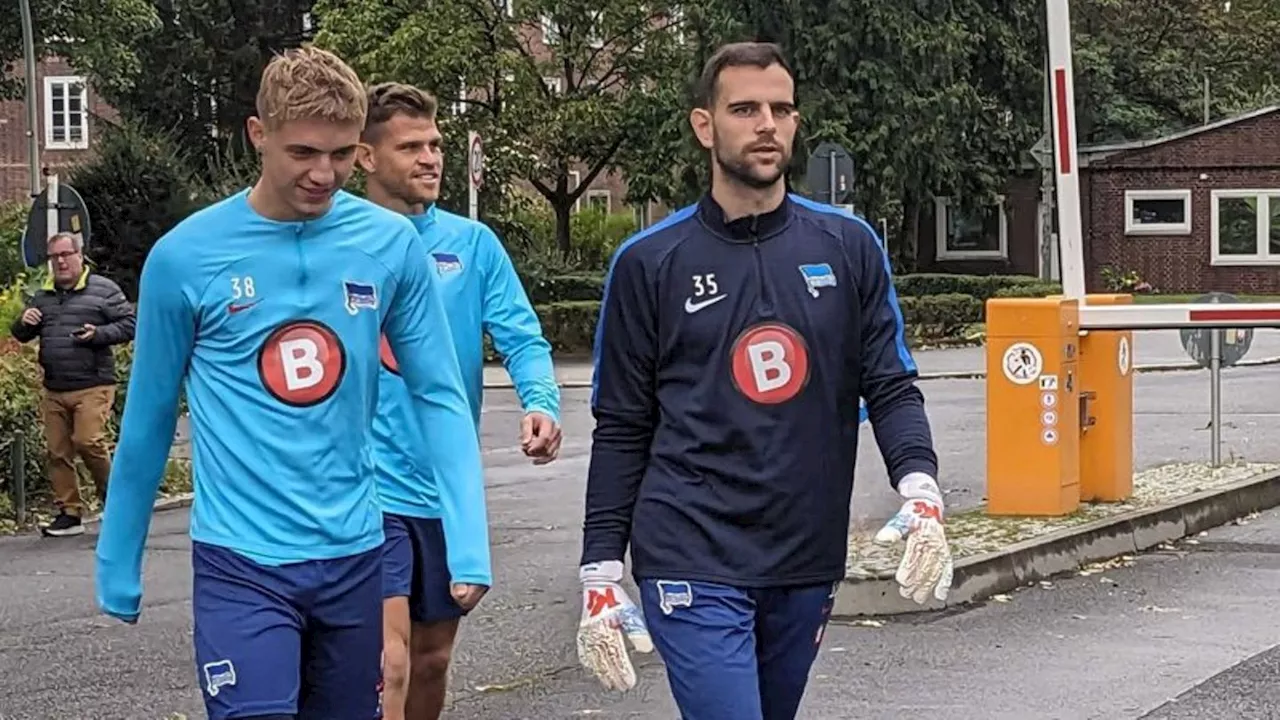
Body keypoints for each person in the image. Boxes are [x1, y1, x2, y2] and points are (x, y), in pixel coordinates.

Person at [94, 46, 485, 720]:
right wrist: (118, 556)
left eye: (339, 154)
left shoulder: (391, 245)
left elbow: (440, 395)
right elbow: (151, 414)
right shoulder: (185, 257)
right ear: (258, 134)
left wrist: (469, 539)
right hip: (241, 561)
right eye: (303, 152)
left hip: (355, 554)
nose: (323, 173)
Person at [573, 41, 953, 719]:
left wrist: (920, 488)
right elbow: (624, 424)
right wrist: (600, 567)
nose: (766, 124)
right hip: (689, 548)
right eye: (744, 109)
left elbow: (890, 382)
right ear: (704, 125)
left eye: (780, 109)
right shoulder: (649, 262)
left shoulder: (848, 245)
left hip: (804, 551)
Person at [356, 81, 562, 720]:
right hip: (366, 487)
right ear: (365, 157)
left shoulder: (473, 246)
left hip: (442, 489)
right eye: (411, 146)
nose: (430, 158)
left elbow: (523, 337)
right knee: (387, 661)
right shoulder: (339, 238)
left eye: (436, 144)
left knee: (431, 659)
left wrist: (542, 402)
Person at [10, 231, 135, 537]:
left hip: (93, 384)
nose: (61, 262)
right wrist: (23, 322)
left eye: (67, 255)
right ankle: (69, 513)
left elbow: (130, 324)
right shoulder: (43, 296)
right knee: (57, 451)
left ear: (80, 256)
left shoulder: (104, 291)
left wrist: (99, 334)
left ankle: (115, 502)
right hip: (54, 387)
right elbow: (22, 334)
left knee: (89, 441)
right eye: (55, 257)